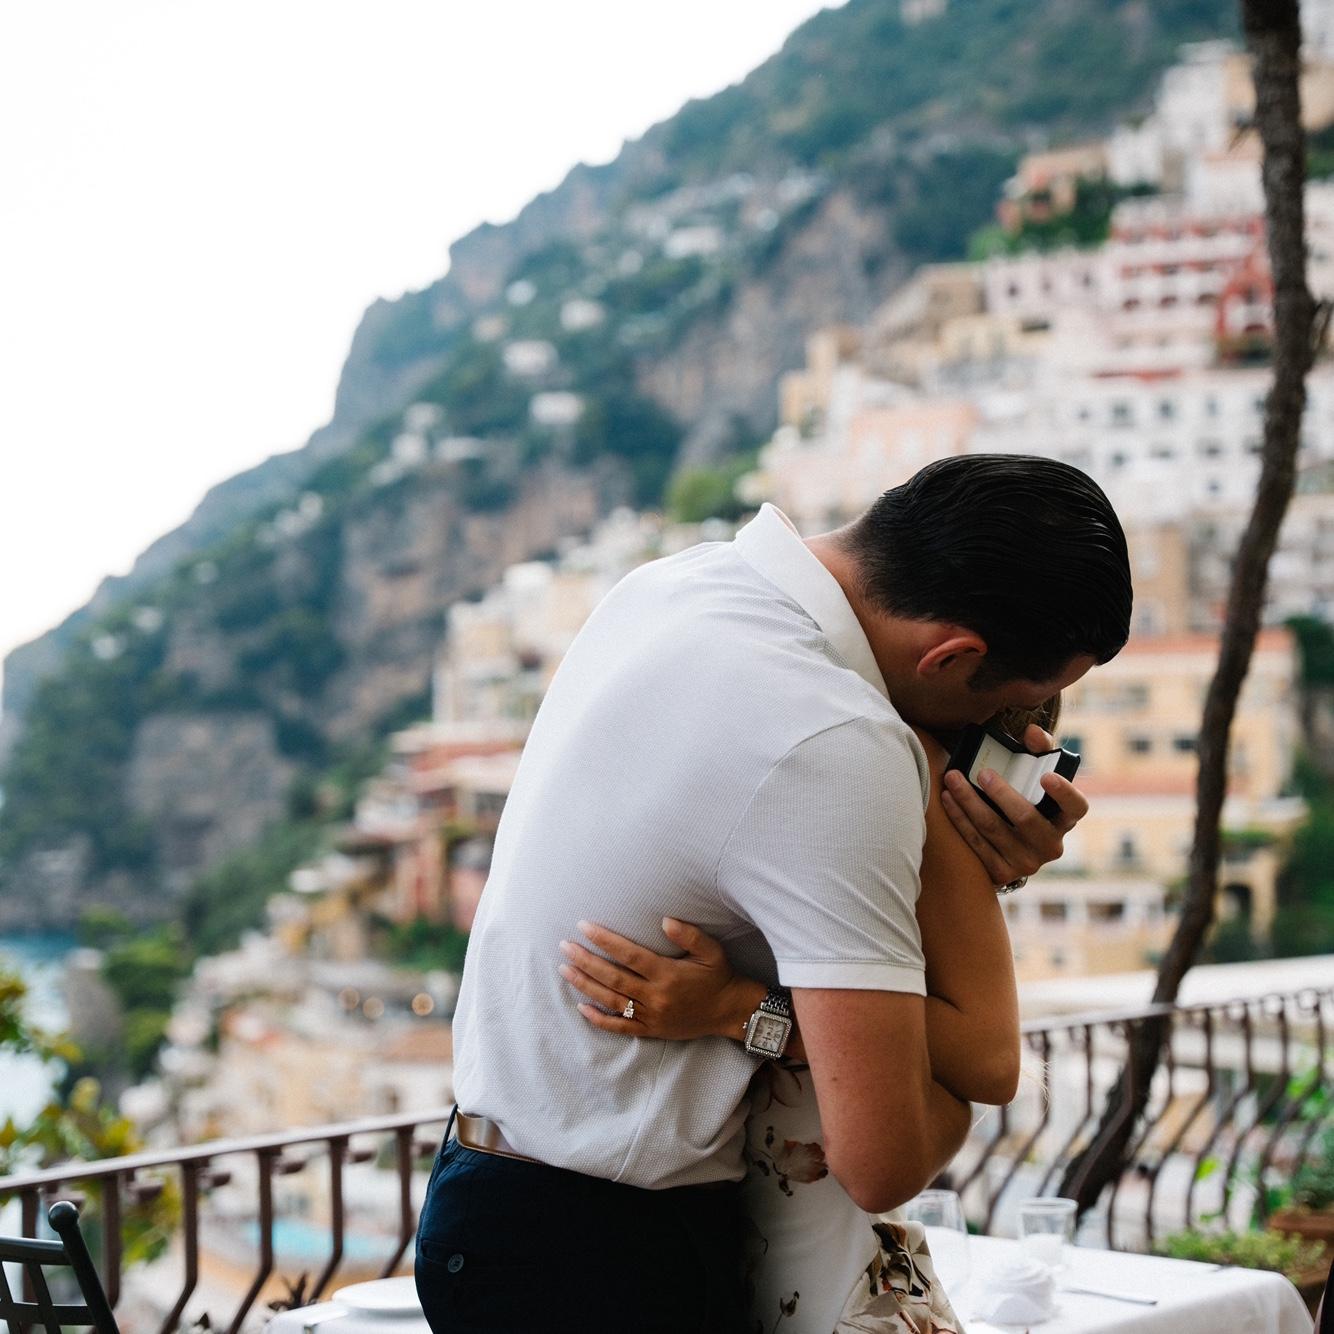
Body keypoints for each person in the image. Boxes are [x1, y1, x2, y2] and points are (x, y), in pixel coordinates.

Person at [415, 455, 1132, 1333]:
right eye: (1027, 700)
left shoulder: (669, 585)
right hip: (605, 1258)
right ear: (953, 657)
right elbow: (888, 1157)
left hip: (487, 1201)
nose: (1023, 734)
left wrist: (972, 865)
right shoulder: (837, 741)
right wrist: (754, 1016)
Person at [559, 695, 1060, 1332]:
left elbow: (990, 1068)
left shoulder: (890, 775)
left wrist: (743, 1011)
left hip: (822, 1264)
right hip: (734, 1246)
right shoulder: (821, 767)